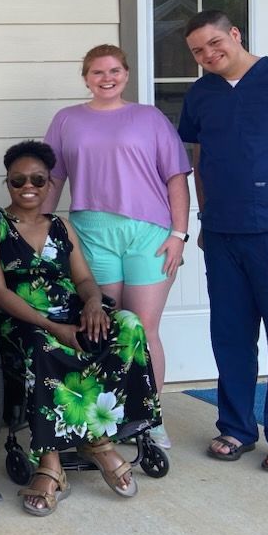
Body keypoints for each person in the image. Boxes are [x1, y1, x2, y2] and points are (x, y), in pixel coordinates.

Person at [0, 140, 162, 516]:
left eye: (38, 180)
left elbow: (85, 280)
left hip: (73, 313)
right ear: (7, 182)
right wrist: (50, 325)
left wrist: (92, 304)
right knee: (43, 345)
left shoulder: (61, 227)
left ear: (49, 184)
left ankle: (97, 437)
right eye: (18, 180)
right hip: (22, 321)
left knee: (128, 324)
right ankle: (53, 463)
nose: (28, 186)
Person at [178, 10, 268, 474]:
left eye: (215, 43)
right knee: (231, 333)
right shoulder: (201, 94)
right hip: (222, 232)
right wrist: (204, 217)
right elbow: (199, 160)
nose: (209, 54)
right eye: (198, 50)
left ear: (235, 34)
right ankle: (236, 427)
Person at [41, 44, 191, 449]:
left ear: (126, 74)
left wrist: (178, 234)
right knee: (105, 327)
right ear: (85, 78)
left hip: (148, 233)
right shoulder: (67, 120)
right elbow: (53, 179)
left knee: (143, 328)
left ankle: (150, 419)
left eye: (114, 71)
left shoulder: (150, 118)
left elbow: (176, 177)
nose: (106, 78)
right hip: (91, 231)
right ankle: (110, 416)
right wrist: (41, 230)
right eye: (97, 72)